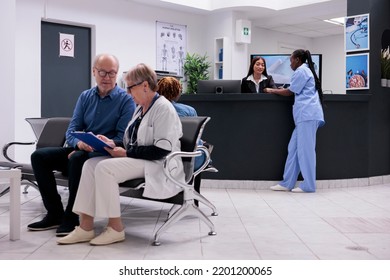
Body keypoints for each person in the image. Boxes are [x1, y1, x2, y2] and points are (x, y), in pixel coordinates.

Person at [57, 63, 185, 245]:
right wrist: (111, 143)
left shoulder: (163, 108)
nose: (127, 93)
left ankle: (115, 228)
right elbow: (131, 141)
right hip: (140, 158)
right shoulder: (140, 109)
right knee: (89, 165)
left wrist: (126, 153)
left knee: (104, 168)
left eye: (130, 87)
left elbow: (161, 149)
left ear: (145, 86)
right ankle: (85, 227)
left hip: (158, 163)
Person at [27, 54, 136, 236]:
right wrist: (79, 144)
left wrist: (96, 144)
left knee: (77, 159)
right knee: (39, 157)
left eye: (112, 73)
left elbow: (122, 138)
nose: (107, 77)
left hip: (106, 153)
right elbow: (71, 131)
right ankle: (55, 214)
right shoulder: (85, 97)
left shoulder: (126, 100)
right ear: (94, 71)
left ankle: (72, 217)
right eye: (102, 72)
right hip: (81, 149)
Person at [263, 49, 325, 193]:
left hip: (307, 115)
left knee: (306, 151)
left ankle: (309, 185)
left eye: (291, 60)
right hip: (305, 116)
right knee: (294, 149)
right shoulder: (305, 70)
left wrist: (272, 90)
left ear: (297, 59)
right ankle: (287, 183)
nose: (290, 63)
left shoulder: (301, 71)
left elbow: (290, 91)